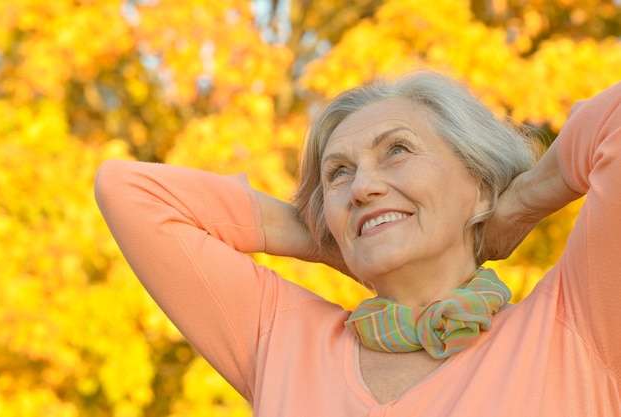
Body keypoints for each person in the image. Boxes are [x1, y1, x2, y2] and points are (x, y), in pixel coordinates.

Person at [95, 70, 621, 416]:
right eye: (338, 174)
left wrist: (519, 201)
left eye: (396, 151)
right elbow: (129, 192)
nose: (362, 186)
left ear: (478, 182)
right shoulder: (284, 341)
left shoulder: (578, 328)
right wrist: (335, 236)